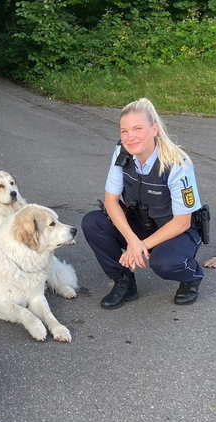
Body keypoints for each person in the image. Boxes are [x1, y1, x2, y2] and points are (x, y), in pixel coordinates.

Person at [82, 98, 204, 309]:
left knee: (163, 263)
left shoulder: (177, 163)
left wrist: (139, 246)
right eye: (124, 131)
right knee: (93, 222)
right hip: (141, 224)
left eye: (137, 129)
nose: (130, 137)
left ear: (154, 129)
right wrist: (132, 240)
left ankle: (191, 276)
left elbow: (183, 222)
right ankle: (124, 282)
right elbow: (111, 202)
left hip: (176, 231)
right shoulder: (122, 152)